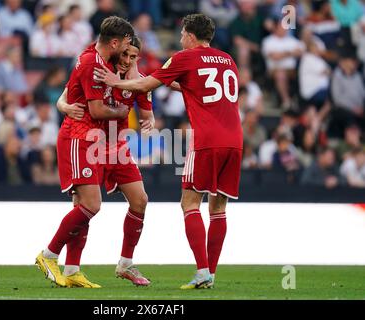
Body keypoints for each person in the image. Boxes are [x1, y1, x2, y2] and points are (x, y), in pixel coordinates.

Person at [94, 13, 243, 289]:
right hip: (235, 139)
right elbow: (200, 88)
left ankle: (201, 272)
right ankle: (210, 273)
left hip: (207, 139)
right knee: (219, 209)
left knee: (190, 203)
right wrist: (170, 82)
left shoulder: (185, 57)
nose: (180, 39)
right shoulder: (228, 60)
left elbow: (145, 85)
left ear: (189, 35)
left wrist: (115, 82)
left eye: (182, 34)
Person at [35, 16, 134, 289]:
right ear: (113, 42)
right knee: (92, 205)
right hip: (80, 138)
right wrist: (122, 111)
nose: (128, 50)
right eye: (125, 44)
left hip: (92, 139)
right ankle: (48, 255)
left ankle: (73, 269)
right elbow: (97, 110)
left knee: (82, 207)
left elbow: (67, 93)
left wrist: (62, 104)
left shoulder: (93, 53)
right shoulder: (92, 63)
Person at [59, 36, 155, 286]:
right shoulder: (100, 69)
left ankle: (126, 263)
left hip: (118, 146)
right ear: (116, 51)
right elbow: (67, 94)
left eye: (133, 57)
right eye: (124, 55)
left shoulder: (140, 81)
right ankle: (71, 268)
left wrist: (149, 120)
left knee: (140, 200)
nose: (127, 61)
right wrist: (63, 106)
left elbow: (148, 114)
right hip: (92, 141)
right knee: (84, 206)